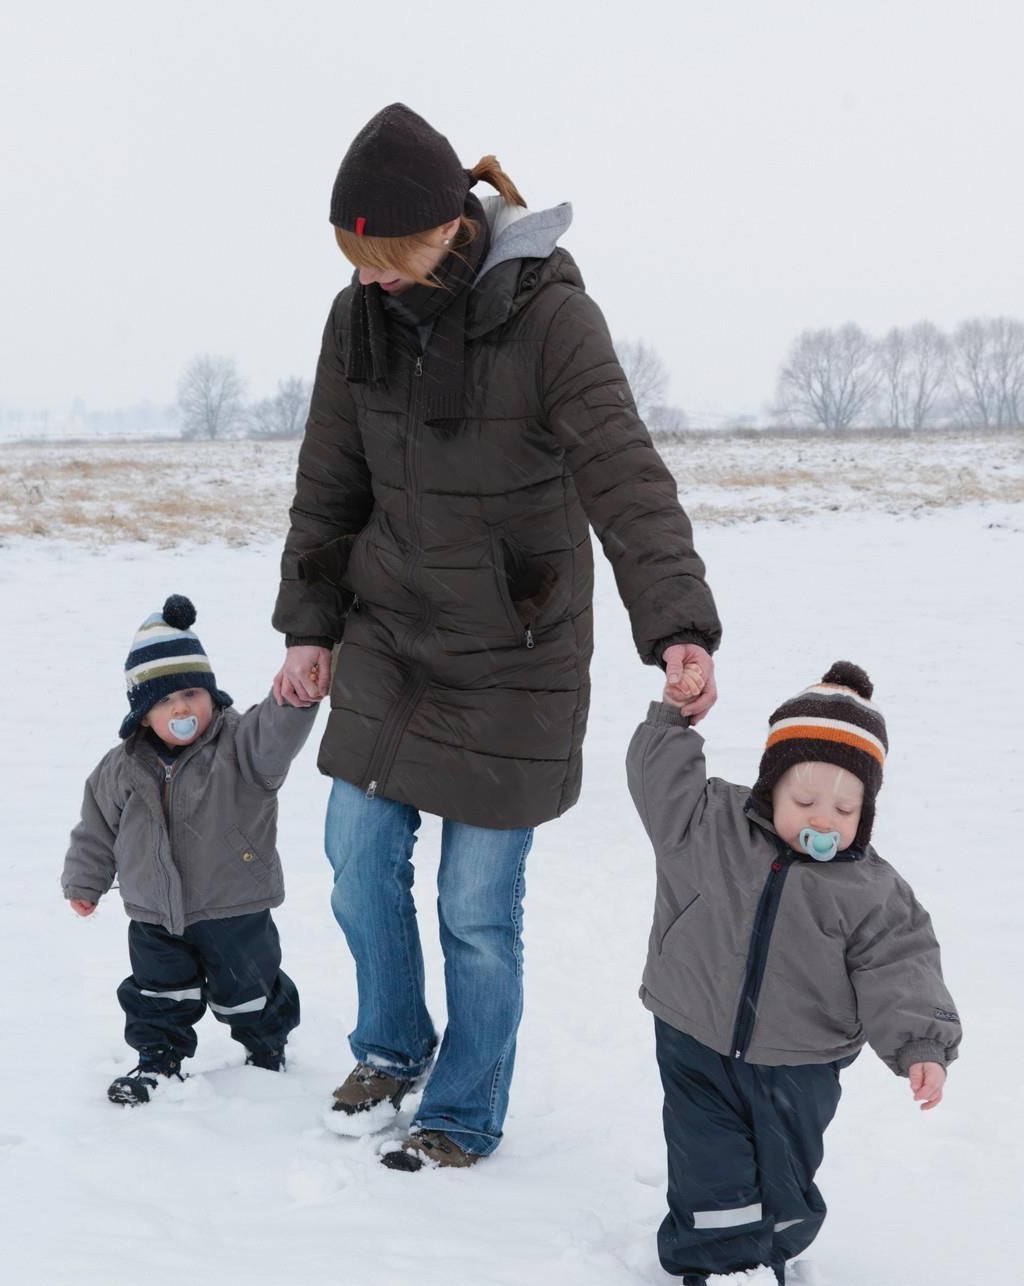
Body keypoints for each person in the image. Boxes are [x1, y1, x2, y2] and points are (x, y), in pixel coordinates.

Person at [273, 102, 723, 1170]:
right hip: (391, 632)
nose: (370, 279)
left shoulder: (549, 318)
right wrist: (310, 625)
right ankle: (391, 1045)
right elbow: (329, 482)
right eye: (355, 261)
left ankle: (464, 1106)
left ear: (445, 229)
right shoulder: (358, 317)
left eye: (386, 260)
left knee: (474, 907)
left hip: (516, 650)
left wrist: (677, 625)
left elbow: (624, 473)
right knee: (355, 860)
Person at [627, 660, 961, 1284]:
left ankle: (772, 1248)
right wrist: (673, 719)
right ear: (771, 787)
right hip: (694, 1036)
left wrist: (922, 1044)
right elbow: (659, 786)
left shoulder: (871, 890)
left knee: (786, 1177)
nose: (823, 820)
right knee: (708, 1165)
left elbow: (900, 964)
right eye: (804, 801)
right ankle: (723, 1267)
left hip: (800, 1061)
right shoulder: (711, 825)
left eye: (844, 808)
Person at [63, 595, 316, 1105]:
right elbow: (96, 829)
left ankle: (266, 1050)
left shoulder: (242, 746)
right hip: (154, 912)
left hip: (234, 906)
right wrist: (85, 881)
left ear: (211, 695)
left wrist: (294, 700)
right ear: (142, 715)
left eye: (191, 693)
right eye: (164, 701)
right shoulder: (120, 767)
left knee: (249, 990)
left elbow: (276, 734)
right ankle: (158, 1059)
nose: (180, 708)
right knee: (157, 992)